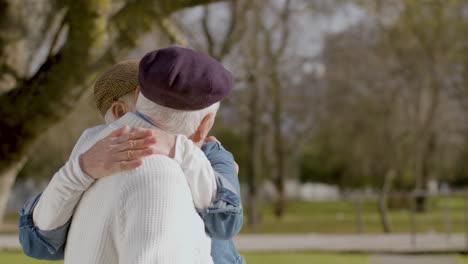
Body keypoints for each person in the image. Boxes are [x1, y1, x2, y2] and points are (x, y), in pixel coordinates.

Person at [19, 47, 245, 263]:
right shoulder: (159, 175)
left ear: (139, 96)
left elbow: (38, 242)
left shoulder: (91, 148)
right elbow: (226, 221)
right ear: (205, 125)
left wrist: (78, 170)